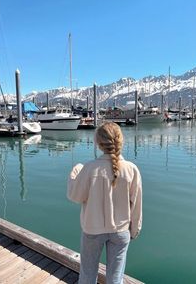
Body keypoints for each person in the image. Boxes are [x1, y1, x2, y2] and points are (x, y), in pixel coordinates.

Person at [67, 121, 142, 284]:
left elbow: (75, 196)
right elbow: (136, 205)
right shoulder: (131, 169)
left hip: (92, 230)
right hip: (121, 231)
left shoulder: (89, 168)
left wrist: (74, 174)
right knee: (115, 279)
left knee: (87, 275)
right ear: (120, 142)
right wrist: (134, 229)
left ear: (98, 143)